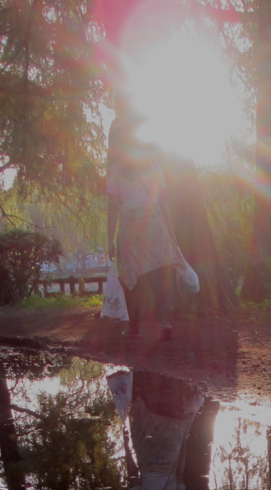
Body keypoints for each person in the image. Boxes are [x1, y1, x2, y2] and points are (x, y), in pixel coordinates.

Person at [106, 107, 186, 340]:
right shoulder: (151, 163)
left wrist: (109, 238)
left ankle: (132, 328)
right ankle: (164, 322)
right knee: (159, 276)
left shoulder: (115, 168)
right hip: (154, 224)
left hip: (131, 227)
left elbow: (113, 207)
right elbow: (163, 202)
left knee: (131, 278)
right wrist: (170, 233)